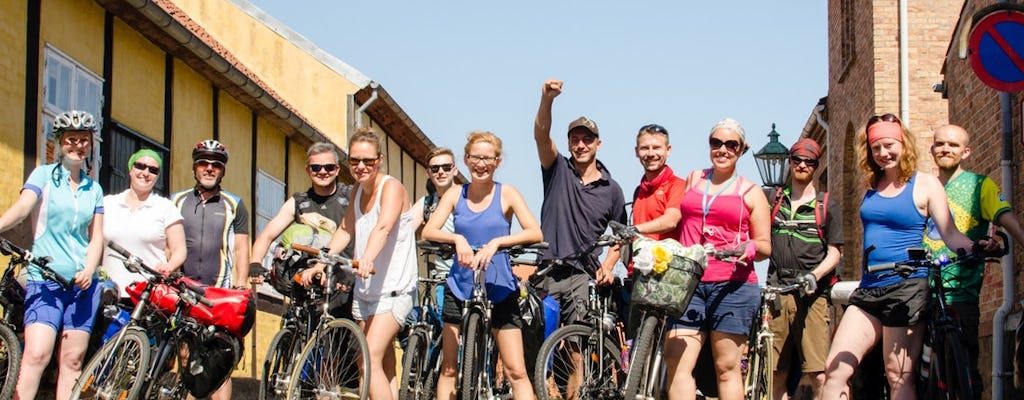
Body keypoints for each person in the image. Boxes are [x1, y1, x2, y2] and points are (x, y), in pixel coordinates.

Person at [821, 114, 984, 399]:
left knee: (898, 376)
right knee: (835, 369)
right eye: (876, 148)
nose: (883, 153)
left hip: (906, 288)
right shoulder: (871, 185)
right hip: (869, 287)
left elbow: (950, 233)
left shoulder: (925, 184)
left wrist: (977, 247)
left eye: (888, 145)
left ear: (903, 144)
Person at [422, 131, 543, 400]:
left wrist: (498, 242)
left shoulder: (507, 193)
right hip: (461, 284)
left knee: (516, 371)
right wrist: (457, 238)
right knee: (450, 369)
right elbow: (428, 231)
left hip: (499, 286)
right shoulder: (455, 194)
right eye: (476, 157)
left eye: (488, 158)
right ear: (466, 159)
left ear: (497, 162)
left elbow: (535, 232)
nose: (481, 164)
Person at [300, 128, 418, 400]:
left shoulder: (392, 187)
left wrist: (367, 257)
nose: (361, 167)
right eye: (354, 161)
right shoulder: (355, 191)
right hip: (366, 291)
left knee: (367, 361)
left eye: (367, 160)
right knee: (383, 365)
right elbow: (345, 228)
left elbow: (383, 227)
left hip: (394, 290)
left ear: (379, 160)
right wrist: (322, 259)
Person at [662, 117, 771, 400]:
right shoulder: (694, 178)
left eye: (730, 144)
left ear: (741, 150)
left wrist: (746, 249)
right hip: (689, 282)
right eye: (716, 143)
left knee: (726, 367)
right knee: (677, 361)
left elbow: (764, 246)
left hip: (732, 285)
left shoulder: (751, 192)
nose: (723, 149)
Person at [0, 110, 105, 399]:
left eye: (84, 140)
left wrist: (89, 268)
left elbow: (96, 237)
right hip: (45, 279)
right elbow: (23, 208)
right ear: (59, 142)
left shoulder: (93, 189)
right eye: (71, 139)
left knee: (72, 362)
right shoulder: (43, 175)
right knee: (36, 354)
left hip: (83, 285)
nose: (78, 145)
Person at [924, 124, 1024, 399]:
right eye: (940, 144)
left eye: (953, 145)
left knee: (966, 366)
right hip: (921, 286)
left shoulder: (979, 185)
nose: (945, 149)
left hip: (961, 289)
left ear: (966, 152)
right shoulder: (922, 187)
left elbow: (1006, 217)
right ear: (931, 149)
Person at [533, 79, 627, 329]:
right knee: (540, 345)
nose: (581, 145)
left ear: (599, 144)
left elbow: (622, 235)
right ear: (568, 144)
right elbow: (542, 136)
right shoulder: (557, 169)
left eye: (587, 140)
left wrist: (608, 265)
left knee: (576, 348)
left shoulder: (612, 189)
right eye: (575, 140)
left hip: (582, 274)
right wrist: (547, 100)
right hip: (548, 269)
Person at [170, 139, 250, 400]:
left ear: (222, 171)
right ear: (194, 168)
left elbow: (241, 248)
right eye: (203, 163)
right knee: (187, 357)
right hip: (185, 291)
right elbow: (168, 243)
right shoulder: (176, 200)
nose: (209, 168)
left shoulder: (234, 204)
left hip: (219, 295)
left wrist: (240, 287)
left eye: (215, 165)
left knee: (219, 363)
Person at [765, 138, 843, 400]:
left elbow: (834, 252)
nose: (802, 165)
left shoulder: (827, 205)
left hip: (812, 295)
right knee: (775, 372)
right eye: (797, 159)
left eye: (808, 161)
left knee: (818, 372)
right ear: (789, 162)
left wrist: (815, 275)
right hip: (778, 293)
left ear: (816, 166)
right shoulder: (774, 200)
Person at [250, 141, 351, 303]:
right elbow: (267, 235)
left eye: (329, 167)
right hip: (307, 284)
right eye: (316, 167)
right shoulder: (298, 202)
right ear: (307, 170)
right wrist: (255, 264)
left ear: (337, 169)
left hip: (344, 283)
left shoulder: (350, 197)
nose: (323, 171)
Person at [101, 149, 186, 298]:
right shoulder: (108, 204)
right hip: (110, 291)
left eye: (153, 170)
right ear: (130, 169)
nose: (146, 173)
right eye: (140, 166)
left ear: (157, 176)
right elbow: (93, 243)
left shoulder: (165, 207)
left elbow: (179, 250)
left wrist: (169, 267)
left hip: (149, 295)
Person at [410, 147, 458, 278]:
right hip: (443, 278)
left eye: (446, 167)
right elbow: (403, 231)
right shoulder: (426, 203)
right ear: (428, 173)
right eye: (435, 169)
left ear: (455, 170)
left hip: (471, 275)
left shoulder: (468, 198)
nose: (441, 172)